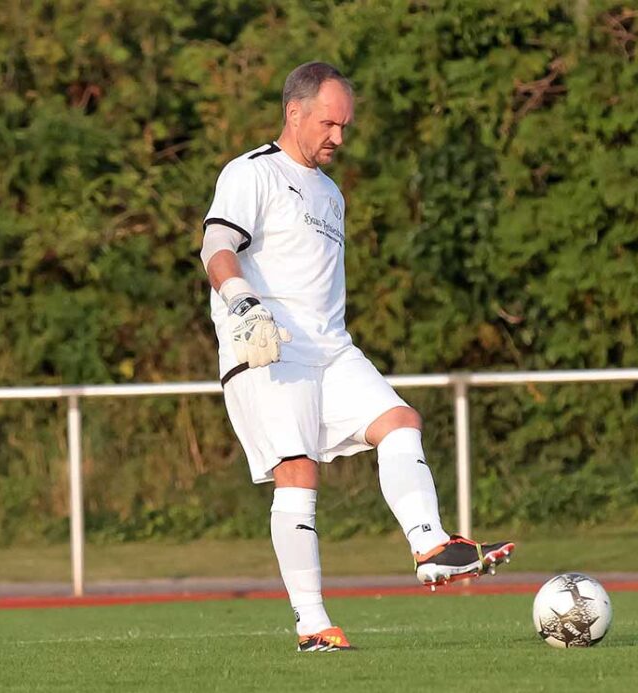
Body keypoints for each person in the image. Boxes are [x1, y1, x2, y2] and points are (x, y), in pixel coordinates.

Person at [199, 61, 515, 653]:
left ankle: (429, 546)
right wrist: (243, 304)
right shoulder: (252, 173)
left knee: (400, 423)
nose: (338, 138)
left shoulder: (331, 192)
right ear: (293, 112)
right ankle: (313, 625)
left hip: (331, 348)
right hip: (270, 347)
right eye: (328, 123)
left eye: (344, 126)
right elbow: (216, 244)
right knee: (297, 472)